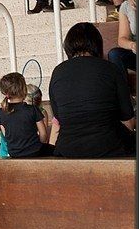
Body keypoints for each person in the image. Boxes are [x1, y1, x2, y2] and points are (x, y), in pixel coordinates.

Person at [49, 22, 135, 158]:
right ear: (97, 45)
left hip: (67, 150)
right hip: (109, 148)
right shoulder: (111, 69)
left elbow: (59, 117)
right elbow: (128, 121)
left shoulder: (57, 72)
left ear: (68, 46)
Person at [0, 73, 50, 158]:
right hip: (34, 156)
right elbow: (43, 137)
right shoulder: (38, 111)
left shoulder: (0, 113)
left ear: (6, 93)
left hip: (8, 157)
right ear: (24, 91)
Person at [107, 0, 137, 76]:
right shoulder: (126, 6)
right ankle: (122, 86)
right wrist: (132, 45)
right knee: (115, 54)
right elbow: (122, 39)